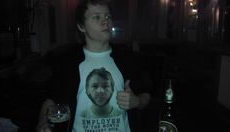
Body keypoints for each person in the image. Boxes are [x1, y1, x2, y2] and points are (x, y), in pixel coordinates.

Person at [36, 0, 152, 131]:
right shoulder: (67, 62)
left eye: (108, 16)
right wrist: (42, 122)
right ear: (81, 26)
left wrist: (136, 101)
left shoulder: (126, 58)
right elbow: (50, 99)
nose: (105, 21)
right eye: (97, 17)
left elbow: (146, 95)